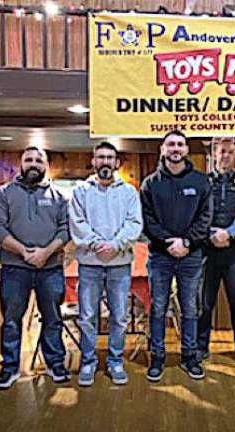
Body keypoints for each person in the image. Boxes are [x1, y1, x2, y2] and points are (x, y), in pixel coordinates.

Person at [0, 146, 71, 390]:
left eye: (38, 160)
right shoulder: (3, 193)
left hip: (50, 268)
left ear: (46, 165)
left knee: (53, 318)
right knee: (12, 320)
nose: (33, 164)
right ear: (20, 164)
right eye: (28, 160)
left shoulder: (59, 196)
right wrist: (24, 252)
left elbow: (66, 228)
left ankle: (55, 364)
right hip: (15, 268)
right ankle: (9, 368)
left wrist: (45, 253)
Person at [140, 130, 212, 382]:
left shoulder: (202, 182)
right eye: (171, 144)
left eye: (180, 144)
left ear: (186, 150)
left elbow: (206, 217)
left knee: (190, 308)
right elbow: (147, 220)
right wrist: (168, 242)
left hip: (192, 256)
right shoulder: (150, 183)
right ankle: (157, 356)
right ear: (162, 149)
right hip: (160, 256)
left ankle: (189, 356)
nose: (176, 148)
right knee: (158, 307)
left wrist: (187, 242)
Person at [69, 142, 143, 387]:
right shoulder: (81, 191)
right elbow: (77, 221)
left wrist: (115, 244)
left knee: (120, 316)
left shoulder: (129, 192)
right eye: (100, 157)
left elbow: (135, 224)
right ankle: (88, 361)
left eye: (110, 157)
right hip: (89, 263)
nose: (105, 161)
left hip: (119, 263)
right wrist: (97, 243)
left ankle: (115, 361)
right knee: (88, 316)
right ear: (93, 161)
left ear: (117, 163)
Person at [196, 138, 235, 371]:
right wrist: (213, 233)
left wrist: (229, 233)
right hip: (206, 251)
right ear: (213, 153)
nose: (225, 156)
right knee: (204, 303)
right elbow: (197, 212)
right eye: (221, 152)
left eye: (230, 153)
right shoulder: (202, 182)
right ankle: (200, 347)